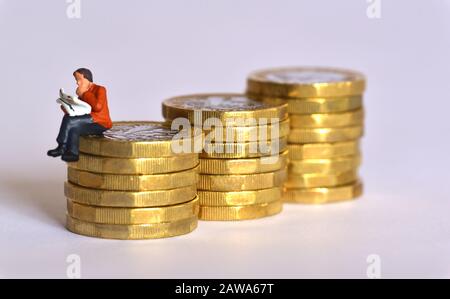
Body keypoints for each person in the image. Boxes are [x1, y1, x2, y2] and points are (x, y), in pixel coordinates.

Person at [47, 68, 112, 162]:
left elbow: (97, 107)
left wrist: (85, 93)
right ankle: (73, 153)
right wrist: (68, 107)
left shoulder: (100, 89)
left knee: (69, 120)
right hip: (89, 120)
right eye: (76, 80)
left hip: (100, 121)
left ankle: (61, 147)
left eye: (79, 80)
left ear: (87, 79)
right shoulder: (82, 94)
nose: (77, 83)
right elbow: (79, 111)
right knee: (74, 128)